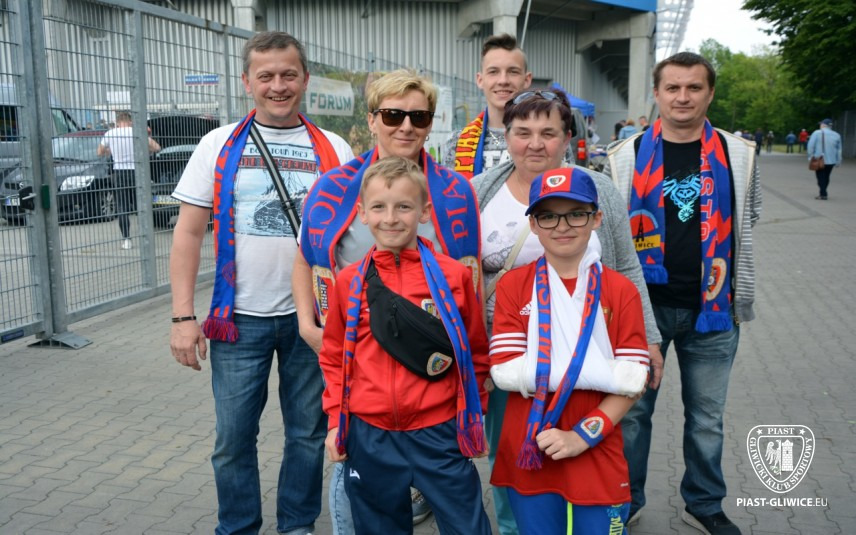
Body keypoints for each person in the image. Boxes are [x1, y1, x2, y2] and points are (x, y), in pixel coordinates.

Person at [168, 31, 353, 535]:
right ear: (247, 81)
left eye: (288, 74)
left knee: (308, 435)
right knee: (232, 441)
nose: (278, 85)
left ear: (305, 79)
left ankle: (296, 525)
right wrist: (183, 317)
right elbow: (188, 233)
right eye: (266, 75)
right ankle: (238, 527)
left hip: (313, 320)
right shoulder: (217, 144)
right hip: (238, 319)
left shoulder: (333, 148)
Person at [295, 69, 482, 533]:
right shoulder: (335, 188)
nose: (406, 126)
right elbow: (306, 256)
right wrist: (306, 324)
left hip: (435, 405)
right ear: (373, 119)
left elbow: (470, 314)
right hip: (366, 388)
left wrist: (469, 408)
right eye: (394, 115)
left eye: (419, 117)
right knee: (368, 512)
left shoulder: (455, 192)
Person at [472, 88, 663, 535]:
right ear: (506, 135)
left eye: (548, 132)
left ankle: (609, 509)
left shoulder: (600, 192)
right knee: (516, 458)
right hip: (512, 349)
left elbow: (627, 264)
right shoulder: (480, 191)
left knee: (596, 459)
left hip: (596, 344)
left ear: (567, 137)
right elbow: (462, 273)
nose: (535, 143)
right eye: (523, 132)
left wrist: (647, 340)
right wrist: (475, 354)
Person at [604, 51, 762, 535]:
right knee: (632, 415)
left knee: (707, 419)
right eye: (672, 87)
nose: (683, 97)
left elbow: (749, 216)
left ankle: (705, 503)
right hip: (640, 310)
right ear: (657, 93)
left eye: (694, 87)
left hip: (713, 310)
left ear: (710, 93)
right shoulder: (623, 155)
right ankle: (625, 501)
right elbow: (610, 230)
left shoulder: (740, 154)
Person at [318, 156, 491, 535]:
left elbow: (476, 352)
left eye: (404, 207)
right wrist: (335, 423)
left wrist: (473, 418)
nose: (391, 218)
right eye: (379, 207)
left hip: (439, 431)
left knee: (467, 527)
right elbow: (333, 357)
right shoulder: (349, 281)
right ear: (362, 213)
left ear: (425, 212)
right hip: (371, 434)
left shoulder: (453, 276)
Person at [489, 166, 649, 533]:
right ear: (533, 224)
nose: (562, 226)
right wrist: (605, 374)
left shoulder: (621, 291)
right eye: (548, 216)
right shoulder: (513, 286)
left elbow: (633, 382)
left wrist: (582, 436)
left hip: (596, 447)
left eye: (576, 214)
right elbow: (506, 372)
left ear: (596, 219)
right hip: (532, 448)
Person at [441, 33, 532, 176]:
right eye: (493, 72)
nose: (503, 80)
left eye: (513, 72)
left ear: (527, 80)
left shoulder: (549, 139)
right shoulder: (457, 142)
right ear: (480, 80)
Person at [97, 110, 160, 249]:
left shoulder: (110, 133)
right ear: (130, 121)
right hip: (137, 172)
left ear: (118, 122)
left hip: (119, 173)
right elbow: (157, 147)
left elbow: (99, 152)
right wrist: (145, 150)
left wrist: (110, 151)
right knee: (141, 206)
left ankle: (126, 239)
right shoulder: (137, 132)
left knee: (122, 207)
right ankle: (145, 237)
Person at [807, 118, 843, 200]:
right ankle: (823, 191)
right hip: (832, 160)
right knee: (826, 176)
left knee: (820, 177)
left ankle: (823, 194)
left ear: (823, 125)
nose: (820, 125)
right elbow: (839, 150)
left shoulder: (817, 133)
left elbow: (810, 146)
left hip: (819, 160)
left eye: (821, 124)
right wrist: (838, 160)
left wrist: (810, 157)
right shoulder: (837, 135)